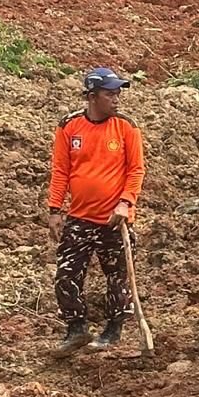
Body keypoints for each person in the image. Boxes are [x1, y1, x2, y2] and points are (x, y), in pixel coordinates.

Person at [47, 67, 146, 357]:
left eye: (118, 93)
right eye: (109, 93)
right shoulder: (69, 126)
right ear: (92, 96)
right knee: (66, 274)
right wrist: (55, 209)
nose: (116, 99)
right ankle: (76, 328)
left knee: (117, 275)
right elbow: (61, 170)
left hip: (114, 219)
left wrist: (126, 202)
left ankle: (113, 330)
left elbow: (136, 170)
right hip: (78, 216)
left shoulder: (126, 127)